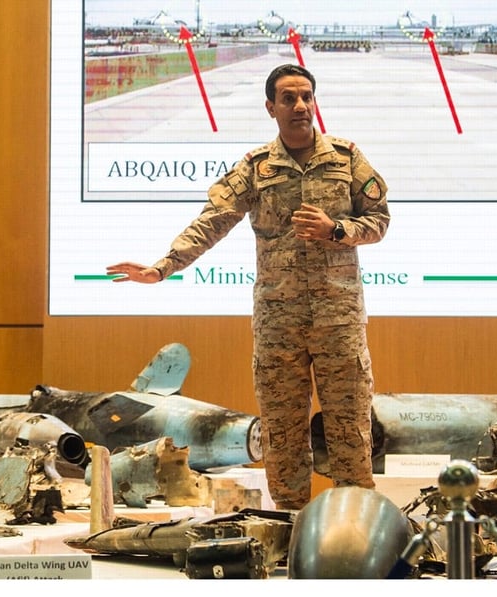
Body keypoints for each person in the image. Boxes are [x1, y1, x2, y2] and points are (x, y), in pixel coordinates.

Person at [106, 64, 390, 509]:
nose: (299, 106)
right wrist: (163, 268)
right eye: (288, 98)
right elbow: (211, 222)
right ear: (271, 108)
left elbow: (379, 221)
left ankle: (353, 531)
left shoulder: (346, 157)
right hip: (279, 325)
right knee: (283, 430)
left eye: (306, 97)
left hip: (339, 320)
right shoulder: (256, 168)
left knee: (350, 428)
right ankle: (291, 529)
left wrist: (337, 229)